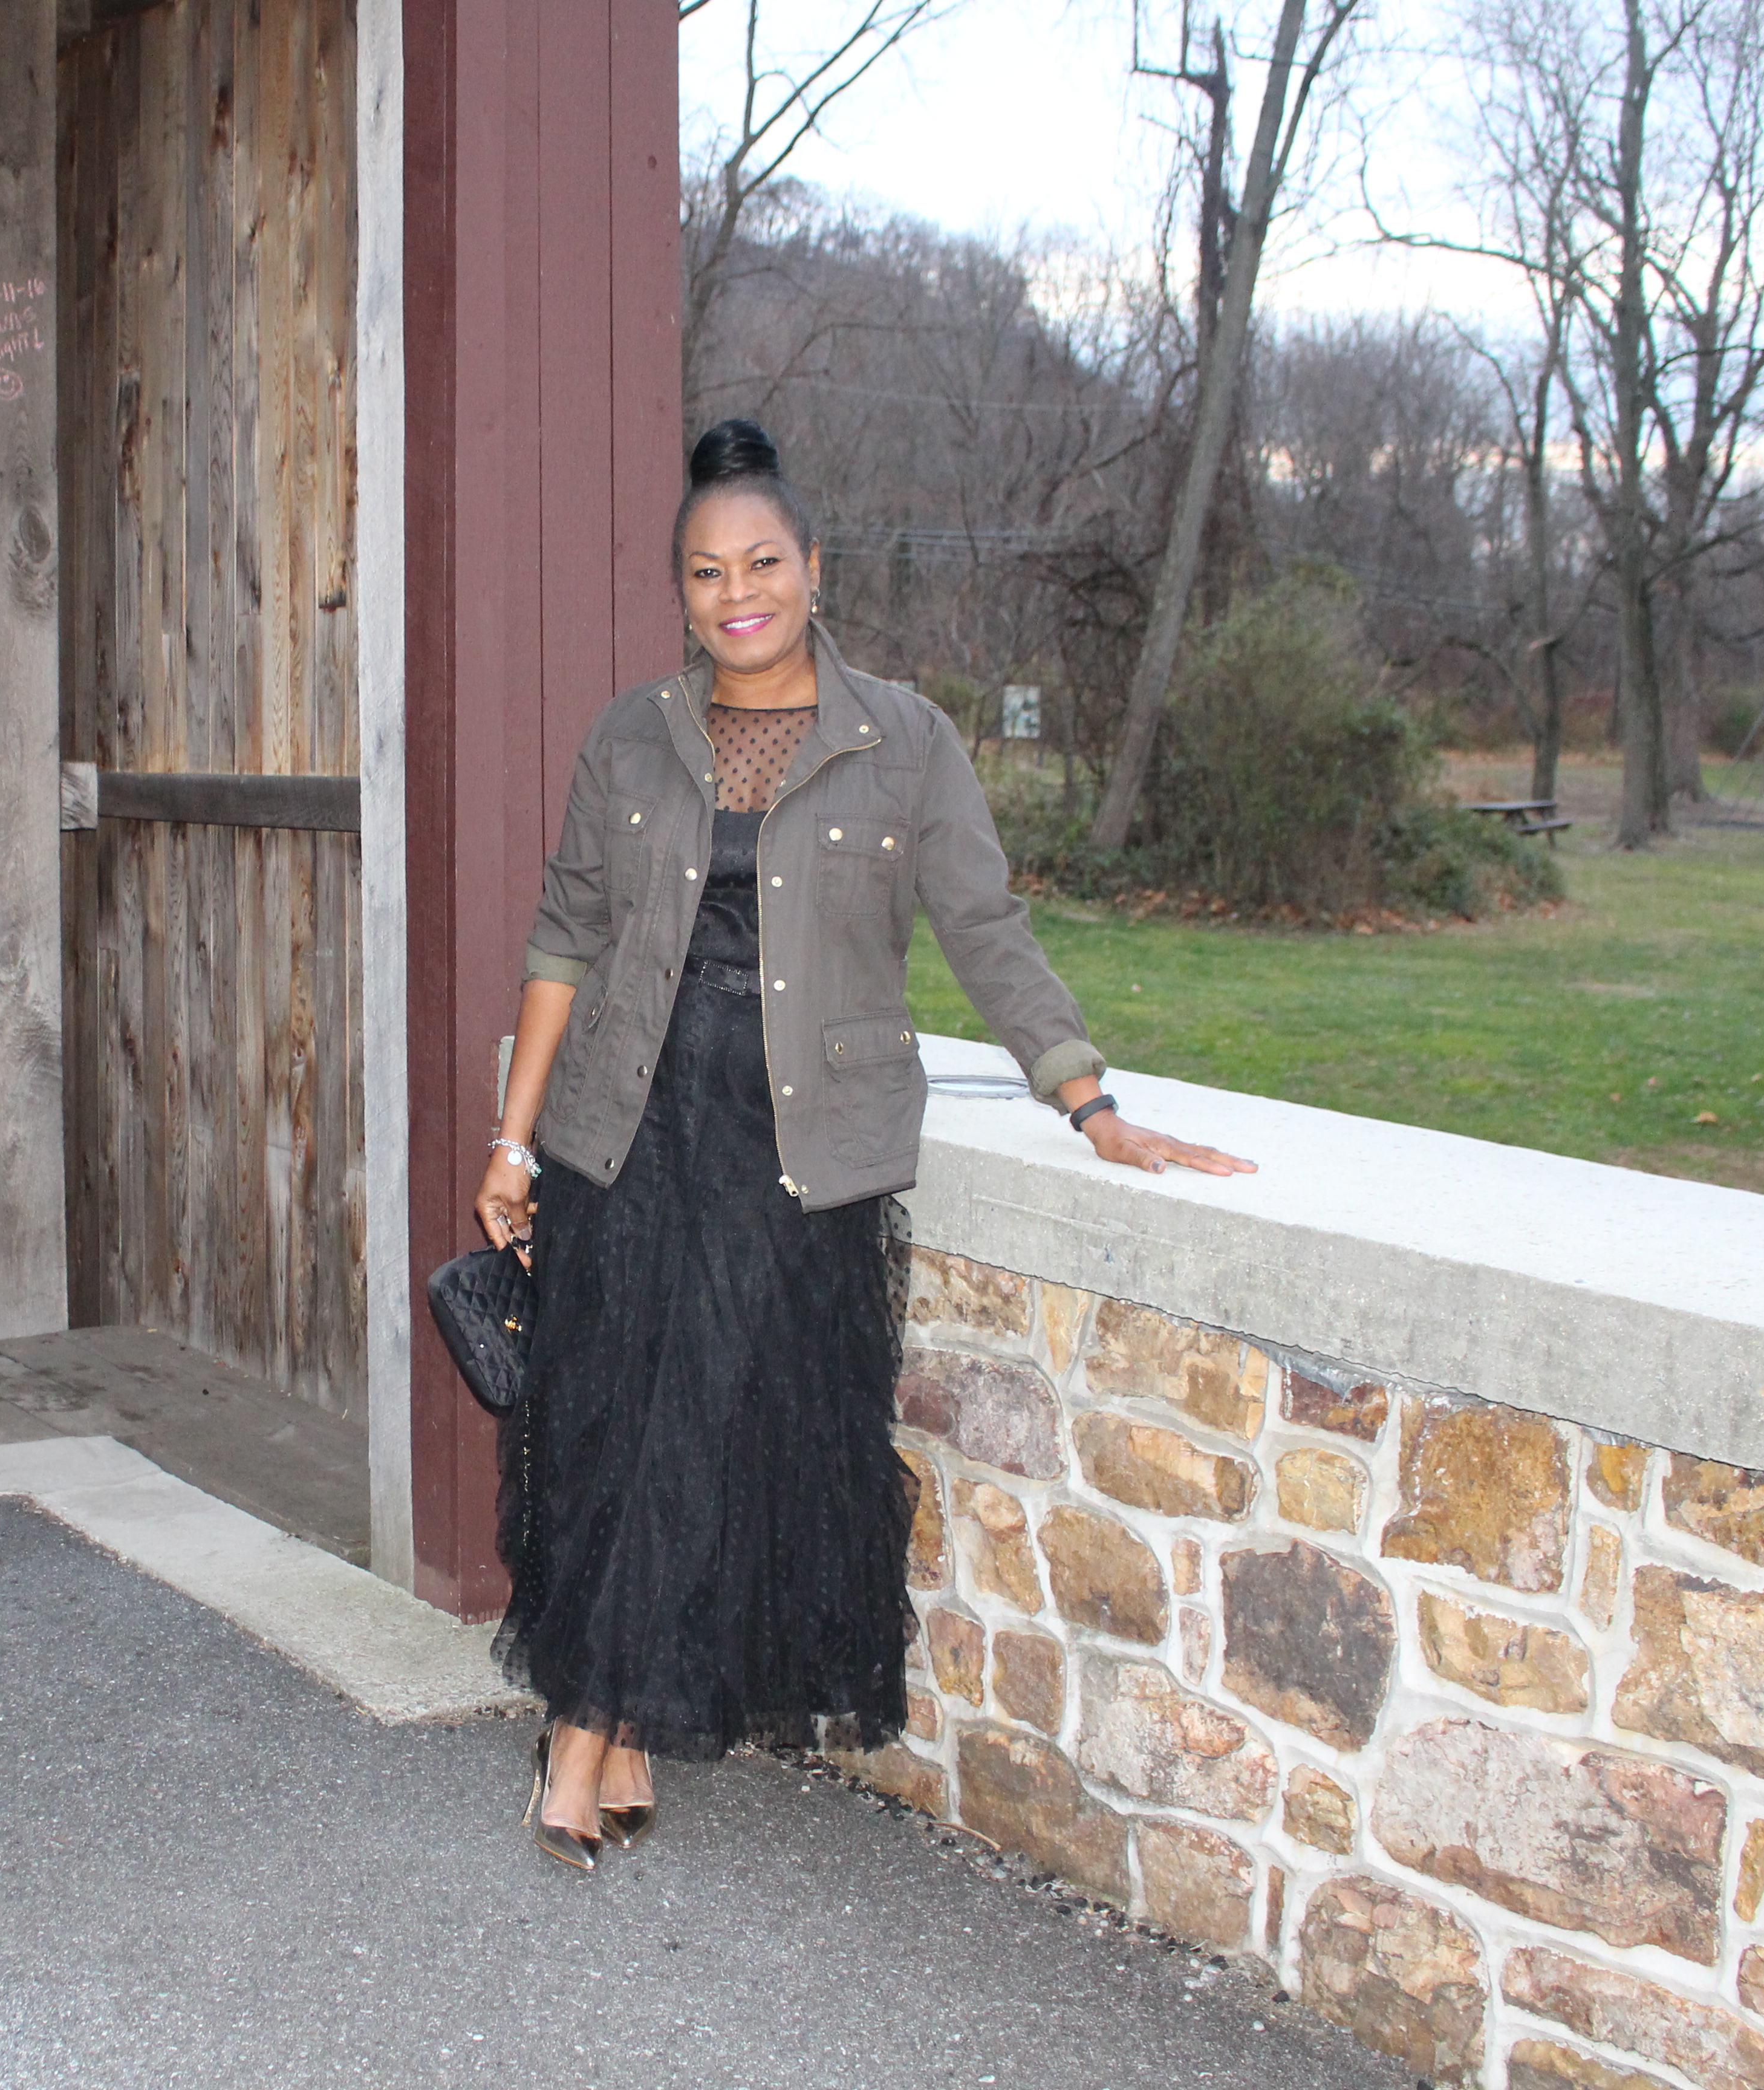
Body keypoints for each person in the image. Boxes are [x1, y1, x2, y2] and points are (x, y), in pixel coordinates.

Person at [477, 420, 1255, 1872]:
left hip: (796, 1151)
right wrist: (511, 1144)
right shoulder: (631, 735)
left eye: (762, 562)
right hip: (624, 1131)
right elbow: (564, 937)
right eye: (705, 572)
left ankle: (581, 1734)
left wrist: (1087, 1097)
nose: (736, 592)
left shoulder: (905, 741)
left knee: (702, 1427)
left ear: (814, 570)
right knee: (605, 1435)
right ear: (683, 594)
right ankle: (616, 1724)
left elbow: (986, 930)